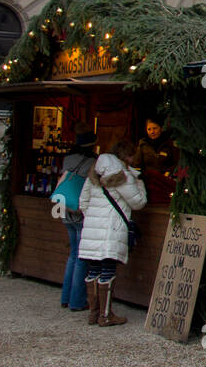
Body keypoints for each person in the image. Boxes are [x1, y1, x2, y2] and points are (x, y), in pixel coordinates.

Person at [78, 140, 147, 327]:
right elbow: (138, 202)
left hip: (92, 229)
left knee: (93, 270)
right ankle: (106, 315)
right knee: (108, 270)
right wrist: (139, 182)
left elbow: (83, 201)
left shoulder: (94, 173)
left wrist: (92, 219)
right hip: (111, 229)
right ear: (128, 156)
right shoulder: (123, 176)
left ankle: (94, 314)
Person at [57, 131, 97, 313]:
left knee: (73, 255)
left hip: (66, 210)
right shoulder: (92, 163)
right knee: (82, 258)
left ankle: (66, 297)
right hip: (81, 211)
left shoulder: (68, 159)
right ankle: (77, 300)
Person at [130, 115, 178, 204]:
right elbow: (137, 165)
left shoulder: (169, 144)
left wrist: (168, 173)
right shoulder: (143, 145)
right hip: (148, 183)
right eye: (149, 129)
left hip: (165, 182)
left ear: (161, 128)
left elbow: (176, 163)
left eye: (154, 128)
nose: (152, 132)